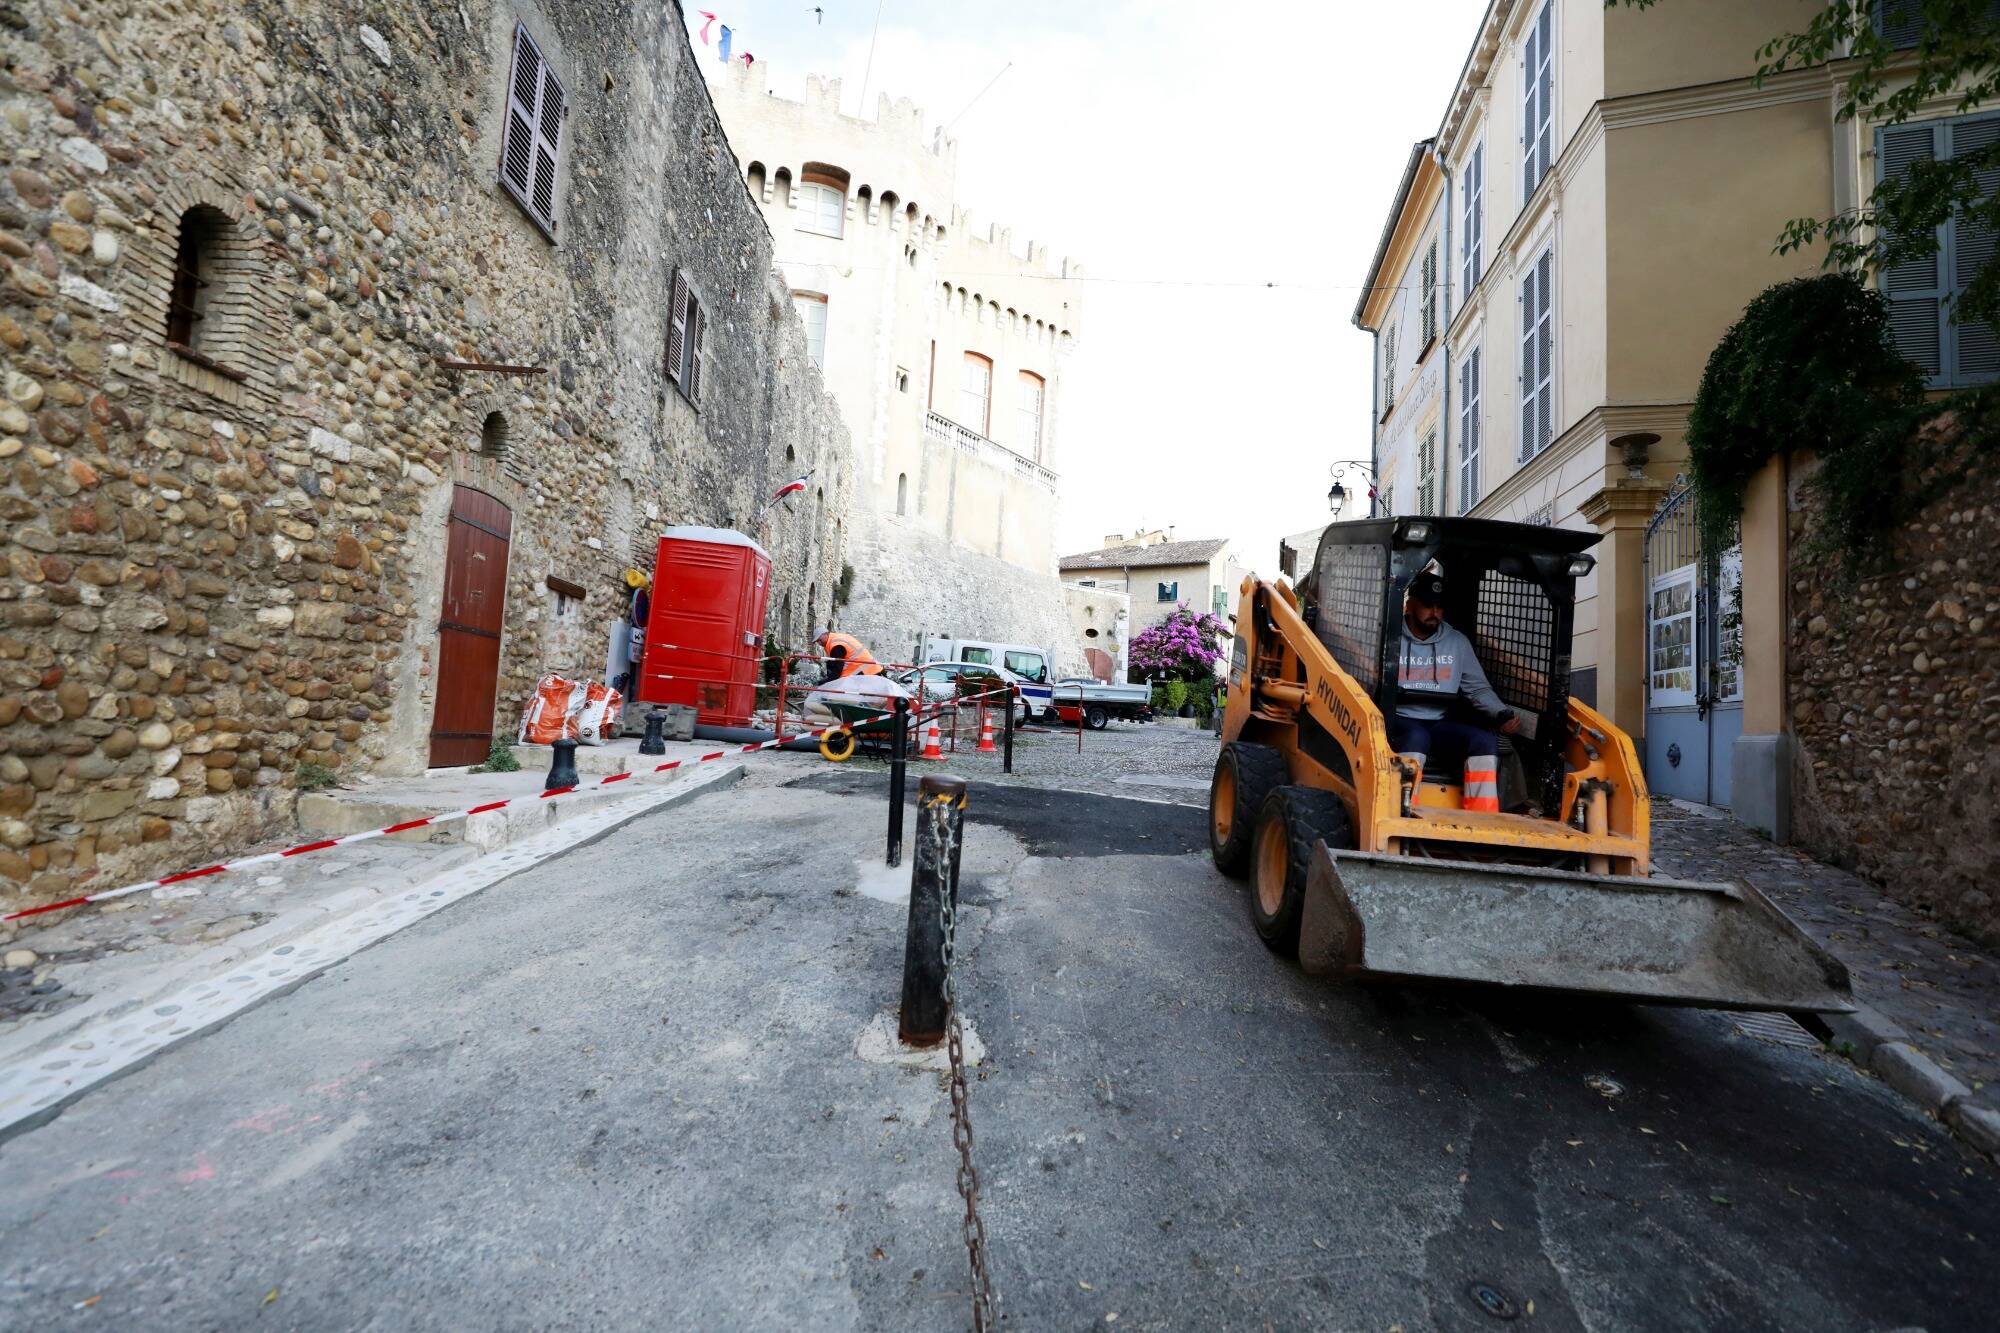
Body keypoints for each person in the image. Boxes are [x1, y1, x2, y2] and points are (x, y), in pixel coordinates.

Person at [1391, 572, 1518, 814]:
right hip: (1398, 719)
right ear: (1410, 605)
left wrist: (1500, 712)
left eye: (1439, 607)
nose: (1434, 612)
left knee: (1484, 742)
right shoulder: (1390, 637)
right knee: (1417, 737)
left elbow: (1477, 687)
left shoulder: (1457, 642)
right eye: (1428, 605)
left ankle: (1483, 817)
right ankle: (1401, 811)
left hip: (1437, 723)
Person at [815, 628, 882, 682]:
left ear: (826, 634)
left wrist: (826, 682)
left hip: (866, 671)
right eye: (817, 641)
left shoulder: (836, 645)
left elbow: (837, 670)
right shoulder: (837, 638)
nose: (819, 643)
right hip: (871, 668)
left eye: (820, 640)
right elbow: (835, 662)